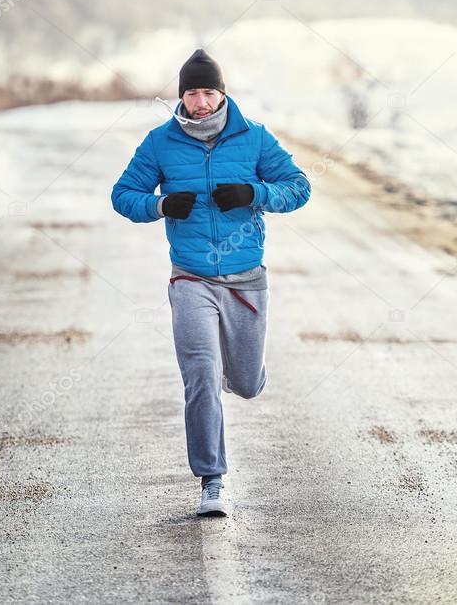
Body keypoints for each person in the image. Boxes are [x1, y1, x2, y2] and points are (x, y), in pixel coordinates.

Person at [111, 49, 311, 517]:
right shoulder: (160, 143)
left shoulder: (255, 139)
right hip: (191, 279)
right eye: (191, 93)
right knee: (200, 373)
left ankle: (240, 371)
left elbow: (299, 186)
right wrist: (160, 205)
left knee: (242, 383)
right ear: (181, 96)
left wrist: (255, 193)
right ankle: (211, 479)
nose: (200, 102)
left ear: (222, 94)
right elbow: (123, 195)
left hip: (246, 280)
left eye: (208, 92)